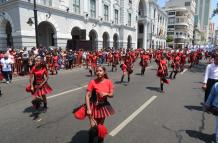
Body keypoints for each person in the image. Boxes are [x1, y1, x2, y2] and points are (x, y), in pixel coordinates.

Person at [85, 66, 115, 143]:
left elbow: (112, 95)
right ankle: (91, 140)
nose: (98, 72)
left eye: (100, 71)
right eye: (97, 71)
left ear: (104, 72)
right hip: (93, 107)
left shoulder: (109, 82)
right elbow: (87, 96)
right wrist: (88, 109)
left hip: (103, 106)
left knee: (100, 126)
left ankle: (100, 140)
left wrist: (106, 94)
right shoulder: (92, 82)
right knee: (93, 126)